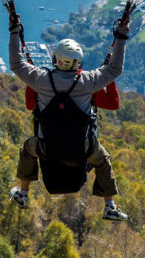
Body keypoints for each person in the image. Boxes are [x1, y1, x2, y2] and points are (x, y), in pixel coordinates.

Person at [7, 16, 129, 221]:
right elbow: (114, 69)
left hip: (48, 148)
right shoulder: (88, 82)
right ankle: (109, 205)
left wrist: (14, 32)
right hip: (82, 149)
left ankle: (23, 193)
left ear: (57, 59)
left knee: (28, 148)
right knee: (103, 160)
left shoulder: (41, 80)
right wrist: (122, 36)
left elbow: (17, 65)